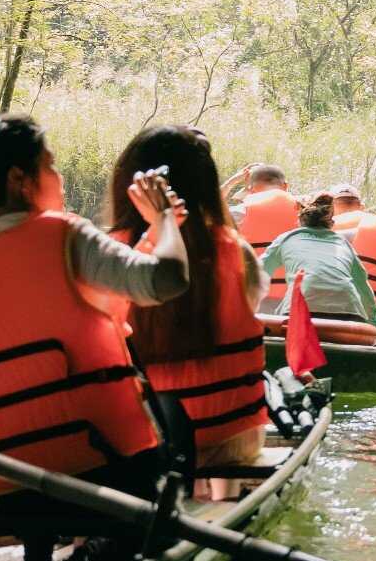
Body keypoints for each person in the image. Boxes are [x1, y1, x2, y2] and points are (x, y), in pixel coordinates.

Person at [0, 113, 191, 561]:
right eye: (50, 167)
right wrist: (165, 223)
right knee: (175, 419)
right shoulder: (65, 234)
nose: (57, 178)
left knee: (31, 426)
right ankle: (93, 558)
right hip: (105, 470)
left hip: (5, 481)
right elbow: (167, 280)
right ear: (19, 179)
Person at [106, 126, 271, 502]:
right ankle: (224, 500)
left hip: (144, 437)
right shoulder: (236, 251)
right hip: (232, 435)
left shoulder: (105, 253)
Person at [256, 194, 376, 324]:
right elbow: (362, 286)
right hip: (349, 313)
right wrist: (374, 320)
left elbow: (258, 273)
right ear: (331, 223)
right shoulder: (343, 243)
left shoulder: (286, 239)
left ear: (300, 220)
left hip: (300, 311)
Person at [227, 162, 303, 255]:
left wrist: (230, 182)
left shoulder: (240, 212)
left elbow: (209, 212)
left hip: (257, 268)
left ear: (251, 189)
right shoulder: (305, 207)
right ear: (285, 186)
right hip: (296, 269)